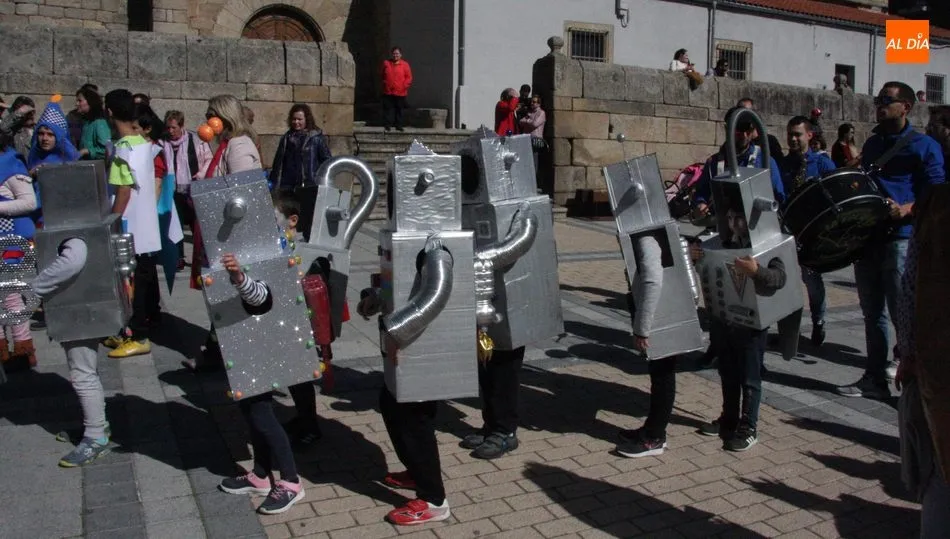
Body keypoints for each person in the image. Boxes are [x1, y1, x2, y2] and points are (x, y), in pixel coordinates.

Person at [836, 82, 945, 400]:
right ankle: (874, 377)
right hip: (870, 238)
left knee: (904, 315)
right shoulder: (872, 144)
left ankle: (919, 382)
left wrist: (908, 209)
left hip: (901, 238)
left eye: (887, 101)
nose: (880, 106)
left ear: (906, 107)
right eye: (877, 100)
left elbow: (936, 194)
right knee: (872, 313)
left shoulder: (924, 146)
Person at [216, 253, 305, 515]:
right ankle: (261, 474)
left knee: (263, 416)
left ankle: (291, 481)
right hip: (243, 348)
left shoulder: (260, 255)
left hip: (260, 351)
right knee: (252, 414)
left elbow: (259, 297)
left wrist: (239, 278)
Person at [896, 104, 950, 539]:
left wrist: (909, 352)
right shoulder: (934, 205)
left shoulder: (934, 206)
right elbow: (912, 287)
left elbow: (910, 287)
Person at [695, 203, 787, 452]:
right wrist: (697, 259)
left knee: (750, 377)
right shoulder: (723, 243)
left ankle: (749, 426)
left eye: (738, 218)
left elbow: (779, 278)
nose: (733, 223)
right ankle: (729, 417)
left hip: (752, 324)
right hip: (725, 319)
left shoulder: (767, 245)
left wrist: (757, 271)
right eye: (730, 217)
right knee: (727, 372)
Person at [100, 89, 163, 359]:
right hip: (146, 228)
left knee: (130, 284)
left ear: (110, 112)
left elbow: (123, 191)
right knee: (140, 281)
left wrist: (110, 221)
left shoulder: (122, 149)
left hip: (129, 229)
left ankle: (137, 334)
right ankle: (129, 330)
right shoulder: (143, 143)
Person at [614, 230, 678, 458]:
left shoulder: (646, 236)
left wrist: (642, 328)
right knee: (660, 373)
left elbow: (652, 280)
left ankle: (655, 437)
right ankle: (652, 429)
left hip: (658, 317)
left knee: (662, 375)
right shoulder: (644, 232)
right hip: (658, 314)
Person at [780, 115, 837, 346]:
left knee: (812, 281)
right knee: (784, 283)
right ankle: (788, 331)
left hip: (812, 232)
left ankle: (818, 321)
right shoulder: (783, 165)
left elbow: (835, 193)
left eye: (797, 134)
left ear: (809, 135)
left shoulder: (821, 163)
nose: (793, 139)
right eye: (790, 134)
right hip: (787, 230)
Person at [275, 192, 324, 448]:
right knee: (294, 377)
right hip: (287, 321)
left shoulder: (298, 249)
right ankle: (304, 418)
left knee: (301, 377)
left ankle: (310, 426)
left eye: (275, 220)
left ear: (292, 220)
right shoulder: (282, 244)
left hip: (299, 324)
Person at [270, 104, 332, 241]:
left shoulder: (316, 139)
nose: (296, 122)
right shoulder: (286, 138)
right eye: (293, 119)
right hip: (288, 186)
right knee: (287, 218)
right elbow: (278, 162)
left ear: (306, 119)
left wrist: (320, 180)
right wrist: (274, 183)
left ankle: (309, 246)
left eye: (299, 119)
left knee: (307, 219)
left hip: (308, 185)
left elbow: (327, 161)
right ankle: (287, 245)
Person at [160, 110, 213, 270]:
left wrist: (201, 174)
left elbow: (208, 158)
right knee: (174, 225)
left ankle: (200, 258)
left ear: (181, 126)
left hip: (192, 186)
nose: (171, 131)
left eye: (174, 128)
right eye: (168, 128)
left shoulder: (196, 140)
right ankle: (178, 257)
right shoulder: (162, 142)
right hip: (172, 188)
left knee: (197, 225)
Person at [380, 46, 412, 132]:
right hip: (388, 91)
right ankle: (387, 125)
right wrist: (385, 83)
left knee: (399, 109)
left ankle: (398, 125)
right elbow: (382, 74)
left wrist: (404, 86)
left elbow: (408, 77)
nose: (395, 55)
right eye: (394, 53)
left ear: (400, 55)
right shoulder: (386, 63)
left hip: (400, 92)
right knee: (388, 109)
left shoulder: (405, 65)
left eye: (397, 53)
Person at [76, 86, 111, 162]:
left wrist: (87, 151)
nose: (77, 104)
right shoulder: (87, 122)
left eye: (80, 101)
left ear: (90, 101)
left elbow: (107, 149)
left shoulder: (99, 123)